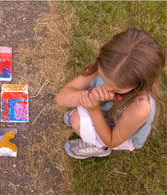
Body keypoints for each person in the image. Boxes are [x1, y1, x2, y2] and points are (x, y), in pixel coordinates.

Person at [56, 28, 165, 159]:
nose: (105, 88)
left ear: (138, 86)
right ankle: (90, 121)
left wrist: (94, 109)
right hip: (104, 112)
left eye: (117, 89)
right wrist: (88, 97)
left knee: (76, 119)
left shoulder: (140, 107)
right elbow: (61, 98)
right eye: (102, 77)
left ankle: (101, 148)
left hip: (117, 133)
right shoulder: (109, 66)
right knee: (77, 115)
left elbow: (112, 140)